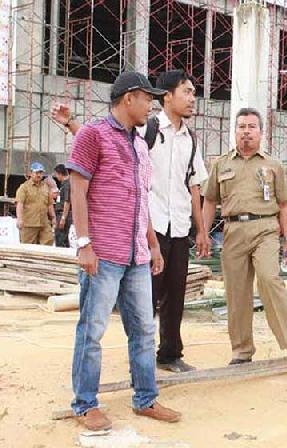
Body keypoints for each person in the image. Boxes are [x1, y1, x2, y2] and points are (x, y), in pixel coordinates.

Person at [52, 70, 210, 373]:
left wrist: (201, 229)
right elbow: (106, 145)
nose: (193, 99)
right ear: (168, 97)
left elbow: (194, 185)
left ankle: (169, 353)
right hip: (149, 225)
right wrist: (72, 124)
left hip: (178, 224)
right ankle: (141, 360)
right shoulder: (147, 128)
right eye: (187, 92)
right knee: (145, 298)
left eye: (193, 93)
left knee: (176, 292)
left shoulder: (190, 139)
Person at [66, 71, 180, 432]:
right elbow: (78, 190)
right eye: (148, 99)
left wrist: (152, 244)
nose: (151, 106)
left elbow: (141, 201)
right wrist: (84, 244)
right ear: (129, 98)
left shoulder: (140, 144)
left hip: (136, 256)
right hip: (103, 252)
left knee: (144, 330)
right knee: (92, 331)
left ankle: (145, 398)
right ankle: (85, 404)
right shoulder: (92, 134)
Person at [202, 108, 287, 365]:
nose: (246, 132)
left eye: (251, 127)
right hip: (233, 231)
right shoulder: (221, 164)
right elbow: (210, 200)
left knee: (270, 279)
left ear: (261, 132)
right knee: (236, 291)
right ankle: (242, 350)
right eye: (241, 127)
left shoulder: (273, 165)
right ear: (235, 131)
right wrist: (203, 233)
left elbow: (284, 204)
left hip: (265, 228)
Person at [15, 162, 55, 245]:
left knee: (48, 243)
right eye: (37, 172)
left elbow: (50, 204)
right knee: (28, 248)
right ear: (30, 173)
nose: (39, 175)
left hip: (44, 224)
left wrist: (53, 217)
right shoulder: (24, 187)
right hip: (29, 224)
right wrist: (19, 219)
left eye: (41, 173)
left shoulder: (45, 187)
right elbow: (20, 204)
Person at [53, 164, 72, 247]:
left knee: (61, 238)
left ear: (60, 174)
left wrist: (63, 218)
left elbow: (67, 202)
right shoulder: (63, 184)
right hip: (60, 214)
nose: (56, 177)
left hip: (63, 214)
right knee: (60, 237)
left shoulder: (67, 184)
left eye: (56, 174)